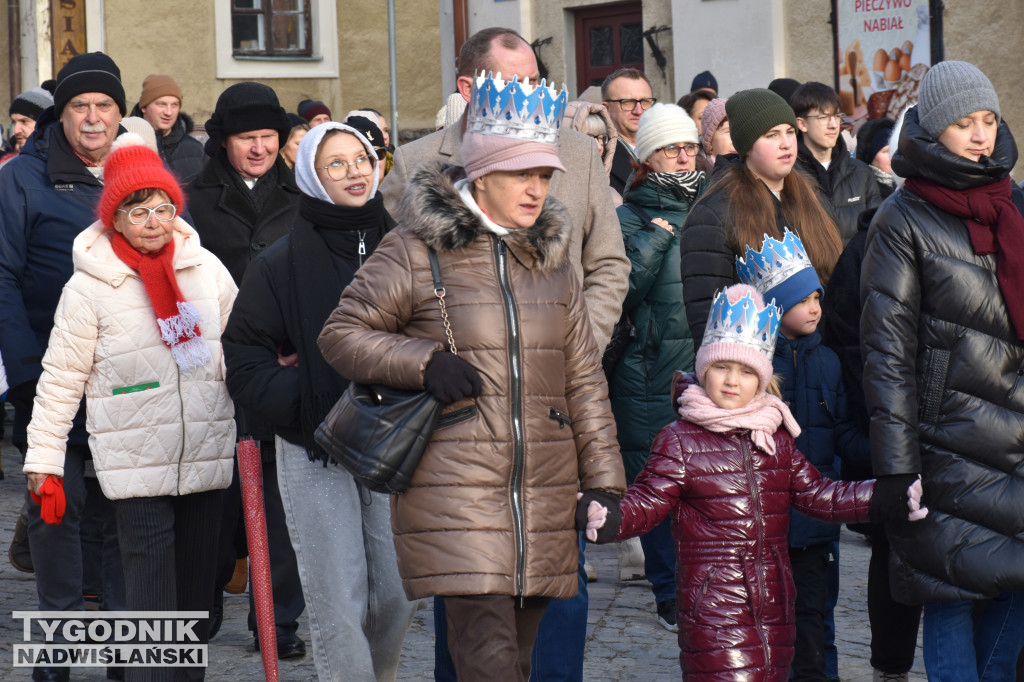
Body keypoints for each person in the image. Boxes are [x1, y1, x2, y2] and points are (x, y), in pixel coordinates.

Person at [318, 72, 627, 682]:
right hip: (455, 490)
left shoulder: (554, 261)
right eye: (522, 175)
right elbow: (341, 335)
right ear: (482, 175)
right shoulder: (415, 249)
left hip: (544, 488)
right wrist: (424, 363)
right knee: (487, 659)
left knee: (516, 657)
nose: (537, 188)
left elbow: (584, 379)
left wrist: (606, 485)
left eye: (544, 176)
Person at [601, 283, 922, 680]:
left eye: (746, 371)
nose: (732, 381)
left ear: (763, 380)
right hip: (714, 611)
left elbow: (819, 494)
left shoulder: (773, 438)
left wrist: (883, 495)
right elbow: (646, 501)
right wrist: (610, 516)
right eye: (722, 367)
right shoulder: (680, 440)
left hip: (774, 606)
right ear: (704, 369)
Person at [22, 134, 237, 682]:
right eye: (138, 210)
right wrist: (44, 463)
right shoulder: (88, 287)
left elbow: (241, 348)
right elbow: (61, 378)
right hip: (135, 461)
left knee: (193, 608)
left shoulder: (206, 268)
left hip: (207, 460)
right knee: (148, 608)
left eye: (163, 208)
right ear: (114, 217)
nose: (153, 221)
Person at [222, 121, 414, 681]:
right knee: (338, 598)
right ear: (311, 175)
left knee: (396, 596)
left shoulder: (407, 248)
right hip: (315, 445)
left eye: (362, 158)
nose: (355, 171)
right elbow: (245, 356)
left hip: (397, 437)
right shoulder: (279, 261)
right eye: (337, 163)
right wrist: (305, 400)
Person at [860, 60, 1024, 682]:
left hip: (1018, 439)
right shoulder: (902, 220)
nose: (981, 135)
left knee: (1014, 592)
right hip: (946, 441)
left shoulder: (1012, 202)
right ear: (932, 131)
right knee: (949, 597)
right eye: (963, 124)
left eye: (988, 119)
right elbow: (887, 354)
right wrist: (898, 466)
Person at [0, 51, 129, 682]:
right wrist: (23, 375)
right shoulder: (22, 178)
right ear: (63, 114)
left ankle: (120, 657)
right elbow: (2, 275)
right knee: (57, 510)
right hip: (50, 378)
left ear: (119, 113)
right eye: (80, 105)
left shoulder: (139, 172)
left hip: (127, 379)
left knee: (116, 515)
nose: (93, 117)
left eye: (105, 105)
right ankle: (57, 652)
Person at [186, 81, 307, 658]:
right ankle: (201, 607)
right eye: (246, 138)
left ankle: (276, 617)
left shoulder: (303, 195)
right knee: (215, 491)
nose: (258, 148)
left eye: (267, 137)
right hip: (208, 365)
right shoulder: (193, 198)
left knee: (281, 496)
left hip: (278, 365)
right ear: (225, 141)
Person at [737, 230, 869, 681]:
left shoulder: (828, 361)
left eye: (817, 297)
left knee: (816, 624)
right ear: (775, 307)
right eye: (802, 300)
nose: (815, 307)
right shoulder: (754, 370)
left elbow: (843, 433)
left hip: (816, 529)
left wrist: (882, 455)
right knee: (766, 624)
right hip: (765, 528)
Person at [609, 102, 708, 631]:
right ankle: (668, 592)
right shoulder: (627, 217)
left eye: (689, 145)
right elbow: (621, 294)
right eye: (672, 147)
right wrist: (659, 237)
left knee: (702, 484)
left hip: (706, 365)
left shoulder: (712, 205)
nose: (683, 155)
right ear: (648, 156)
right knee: (657, 482)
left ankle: (700, 586)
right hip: (648, 372)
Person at [679, 88, 843, 347]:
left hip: (821, 369)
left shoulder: (812, 195)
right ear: (746, 146)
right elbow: (710, 323)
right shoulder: (713, 213)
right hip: (756, 376)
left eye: (790, 132)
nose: (786, 143)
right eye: (772, 135)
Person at [790, 82, 880, 244]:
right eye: (823, 117)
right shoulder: (788, 175)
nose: (833, 125)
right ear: (802, 124)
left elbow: (876, 235)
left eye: (837, 116)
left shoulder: (862, 173)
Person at [129, 74, 205, 184]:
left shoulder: (196, 149)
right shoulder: (126, 145)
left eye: (174, 105)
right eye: (161, 104)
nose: (169, 112)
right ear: (144, 107)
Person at [601, 68, 656, 196]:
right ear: (606, 109)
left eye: (645, 101)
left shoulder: (672, 151)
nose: (638, 110)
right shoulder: (598, 156)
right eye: (627, 102)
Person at [561, 99, 620, 208]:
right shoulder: (545, 194)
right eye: (587, 137)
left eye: (601, 138)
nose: (598, 147)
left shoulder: (614, 196)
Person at [1, 86, 54, 166]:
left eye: (24, 121)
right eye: (14, 122)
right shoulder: (8, 168)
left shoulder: (67, 163)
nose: (16, 130)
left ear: (44, 123)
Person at [855, 116, 897, 198]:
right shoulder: (862, 192)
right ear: (870, 158)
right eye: (886, 151)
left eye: (895, 148)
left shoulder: (909, 185)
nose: (893, 155)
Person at [699, 97, 735, 174]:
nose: (736, 139)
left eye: (739, 131)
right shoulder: (701, 181)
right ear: (710, 142)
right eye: (729, 131)